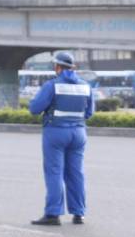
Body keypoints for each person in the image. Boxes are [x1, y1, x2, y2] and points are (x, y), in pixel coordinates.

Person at [29, 52, 95, 226]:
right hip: (79, 133)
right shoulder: (85, 86)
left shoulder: (52, 85)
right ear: (72, 68)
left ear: (57, 67)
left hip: (56, 132)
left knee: (54, 172)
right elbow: (89, 113)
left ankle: (53, 214)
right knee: (76, 173)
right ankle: (79, 213)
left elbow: (35, 108)